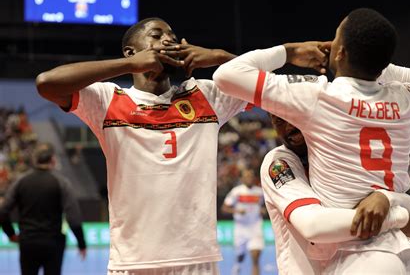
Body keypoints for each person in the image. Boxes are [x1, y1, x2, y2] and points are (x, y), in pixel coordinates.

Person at [213, 8, 410, 273]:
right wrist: (372, 57)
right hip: (404, 252)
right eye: (276, 119)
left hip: (362, 256)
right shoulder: (405, 100)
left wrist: (288, 51)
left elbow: (226, 75)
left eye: (336, 40)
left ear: (341, 52)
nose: (286, 124)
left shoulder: (318, 98)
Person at [36, 17, 248, 274]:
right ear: (131, 51)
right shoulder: (107, 100)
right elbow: (46, 83)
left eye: (172, 35)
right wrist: (128, 65)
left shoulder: (206, 95)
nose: (168, 40)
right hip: (132, 262)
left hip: (196, 260)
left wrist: (219, 57)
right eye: (157, 35)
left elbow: (269, 87)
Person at [263, 114, 410, 274]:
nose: (289, 127)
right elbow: (313, 225)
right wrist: (399, 218)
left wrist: (386, 198)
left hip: (355, 263)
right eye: (279, 121)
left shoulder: (342, 154)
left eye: (293, 115)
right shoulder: (279, 162)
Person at [0, 143, 87, 275]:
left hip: (28, 241)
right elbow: (73, 216)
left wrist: (11, 234)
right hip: (53, 242)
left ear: (35, 161)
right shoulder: (61, 182)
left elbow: (3, 211)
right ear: (52, 160)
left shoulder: (21, 181)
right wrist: (81, 243)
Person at [221, 169, 266, 275]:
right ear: (242, 179)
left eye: (251, 176)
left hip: (255, 227)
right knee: (240, 255)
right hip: (240, 228)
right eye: (246, 176)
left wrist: (263, 210)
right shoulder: (236, 192)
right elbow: (224, 208)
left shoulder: (260, 192)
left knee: (255, 257)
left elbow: (266, 206)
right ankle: (238, 264)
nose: (249, 178)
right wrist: (236, 210)